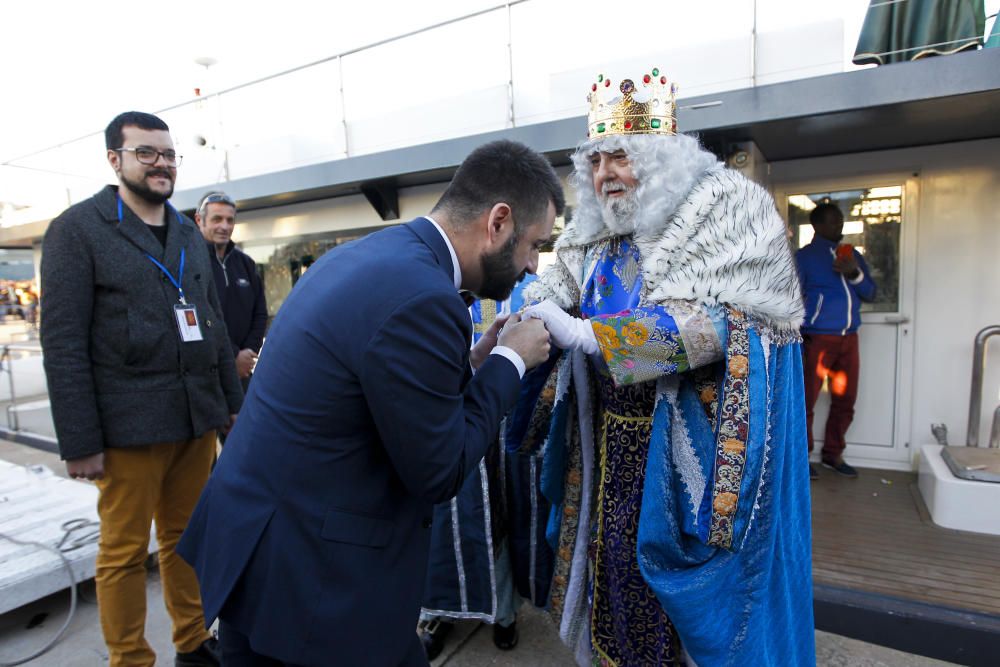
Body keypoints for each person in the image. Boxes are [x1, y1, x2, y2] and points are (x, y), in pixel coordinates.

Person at [177, 139, 564, 667]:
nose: (533, 266)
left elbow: (380, 387)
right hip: (313, 585)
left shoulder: (371, 256)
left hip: (265, 549)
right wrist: (511, 365)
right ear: (498, 222)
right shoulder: (423, 296)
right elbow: (440, 468)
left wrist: (475, 361)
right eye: (534, 244)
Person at [507, 68, 815, 665]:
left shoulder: (731, 212)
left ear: (662, 155)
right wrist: (536, 304)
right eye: (594, 162)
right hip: (604, 446)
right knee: (611, 574)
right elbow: (557, 285)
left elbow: (730, 327)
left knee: (674, 607)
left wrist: (601, 339)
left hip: (679, 457)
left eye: (618, 156)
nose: (604, 176)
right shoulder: (597, 234)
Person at [39, 111, 243, 667]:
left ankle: (194, 639)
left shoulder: (185, 231)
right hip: (126, 425)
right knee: (125, 552)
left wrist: (232, 408)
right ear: (115, 160)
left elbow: (215, 326)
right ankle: (129, 658)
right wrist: (79, 440)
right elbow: (62, 343)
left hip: (194, 418)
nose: (162, 164)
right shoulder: (77, 231)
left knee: (188, 539)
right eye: (147, 153)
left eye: (170, 154)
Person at [797, 202, 877, 479]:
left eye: (840, 221)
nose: (839, 226)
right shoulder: (805, 257)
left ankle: (833, 455)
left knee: (845, 400)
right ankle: (801, 458)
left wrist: (853, 272)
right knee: (805, 401)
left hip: (849, 339)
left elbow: (871, 293)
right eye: (833, 222)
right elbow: (791, 296)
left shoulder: (852, 254)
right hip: (817, 338)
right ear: (817, 225)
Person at [195, 191, 267, 393]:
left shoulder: (246, 264)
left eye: (230, 220)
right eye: (217, 219)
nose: (224, 226)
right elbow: (201, 316)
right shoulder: (188, 263)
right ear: (199, 220)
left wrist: (248, 354)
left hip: (243, 371)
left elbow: (260, 312)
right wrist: (233, 355)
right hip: (208, 376)